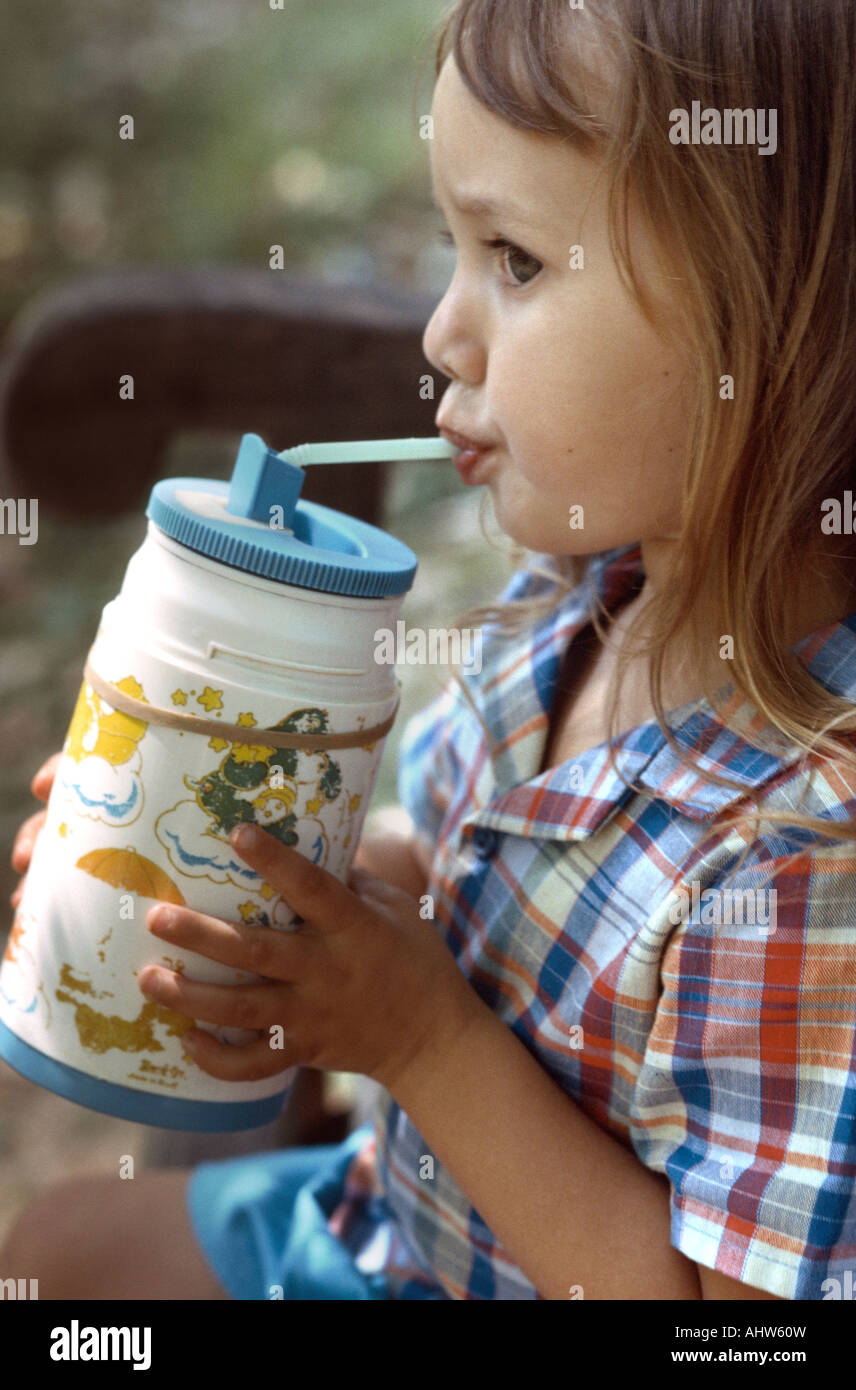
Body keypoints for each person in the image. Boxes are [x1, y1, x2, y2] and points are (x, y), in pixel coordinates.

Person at [4, 0, 856, 1301]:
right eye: (453, 247)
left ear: (773, 321)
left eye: (511, 259)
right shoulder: (580, 582)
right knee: (53, 1257)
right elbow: (470, 879)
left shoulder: (805, 848)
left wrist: (416, 1034)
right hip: (390, 1217)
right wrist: (243, 888)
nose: (438, 333)